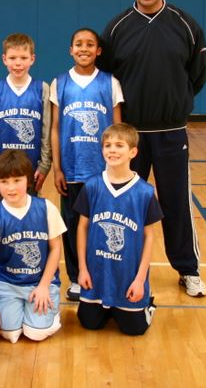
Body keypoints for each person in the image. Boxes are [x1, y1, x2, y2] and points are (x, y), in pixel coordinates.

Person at [97, 0, 206, 297]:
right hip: (129, 135)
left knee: (176, 203)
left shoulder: (185, 25)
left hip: (171, 133)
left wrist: (176, 100)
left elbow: (199, 74)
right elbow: (106, 79)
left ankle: (188, 269)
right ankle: (124, 268)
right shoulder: (117, 28)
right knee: (126, 205)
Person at [50, 27, 123, 302]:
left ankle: (102, 276)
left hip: (102, 171)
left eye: (90, 44)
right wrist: (57, 168)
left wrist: (117, 169)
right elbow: (55, 128)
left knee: (102, 226)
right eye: (78, 44)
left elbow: (118, 130)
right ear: (71, 50)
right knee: (71, 225)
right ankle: (76, 278)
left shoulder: (110, 83)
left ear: (98, 51)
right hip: (71, 169)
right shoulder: (60, 83)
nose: (84, 48)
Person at [75, 123, 162, 335]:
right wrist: (82, 269)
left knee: (135, 330)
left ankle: (147, 302)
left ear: (133, 152)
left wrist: (140, 280)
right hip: (97, 275)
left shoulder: (145, 192)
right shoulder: (92, 186)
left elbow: (149, 237)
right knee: (88, 323)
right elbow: (82, 227)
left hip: (128, 276)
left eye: (119, 145)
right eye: (107, 145)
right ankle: (108, 307)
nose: (112, 150)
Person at [0, 150, 66, 343]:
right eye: (4, 181)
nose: (11, 188)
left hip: (39, 282)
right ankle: (11, 308)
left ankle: (51, 311)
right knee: (9, 333)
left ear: (28, 180)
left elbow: (55, 249)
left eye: (17, 180)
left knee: (36, 333)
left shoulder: (46, 208)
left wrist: (44, 286)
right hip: (8, 284)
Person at [0, 33, 52, 195]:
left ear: (32, 59)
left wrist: (44, 165)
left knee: (31, 208)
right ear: (4, 59)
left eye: (23, 58)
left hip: (32, 167)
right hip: (1, 167)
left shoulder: (42, 88)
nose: (18, 63)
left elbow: (46, 131)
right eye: (12, 58)